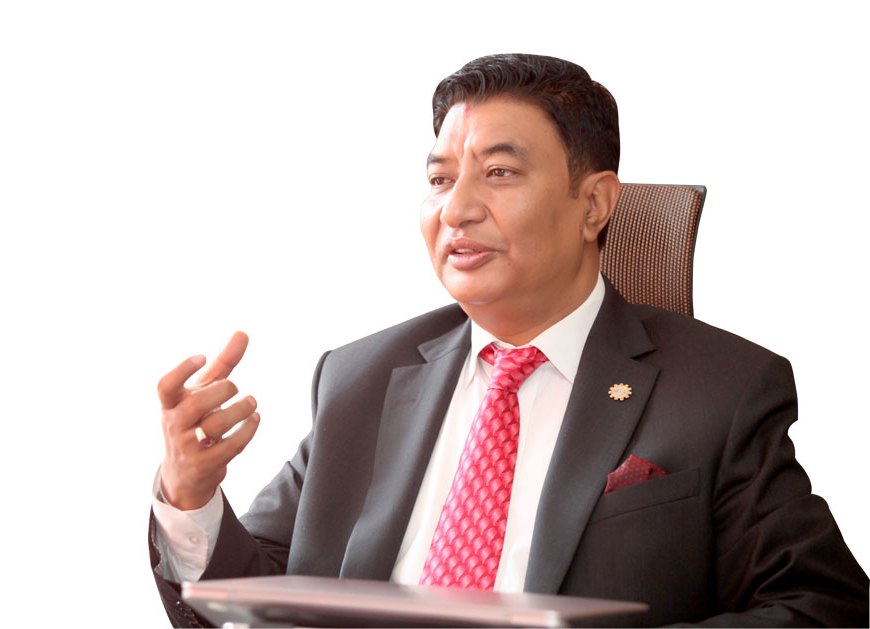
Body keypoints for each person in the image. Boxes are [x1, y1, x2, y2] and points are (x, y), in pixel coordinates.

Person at [149, 54, 869, 626]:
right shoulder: (361, 377)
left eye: (499, 173)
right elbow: (255, 601)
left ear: (595, 203)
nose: (456, 209)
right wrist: (191, 493)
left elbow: (824, 607)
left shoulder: (720, 389)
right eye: (440, 179)